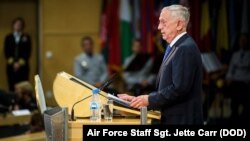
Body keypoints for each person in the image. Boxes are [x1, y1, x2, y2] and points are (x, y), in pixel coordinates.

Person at [118, 5, 203, 125]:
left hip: (182, 120)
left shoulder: (185, 48)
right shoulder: (175, 47)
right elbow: (167, 87)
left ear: (179, 24)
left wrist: (148, 99)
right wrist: (140, 100)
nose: (159, 27)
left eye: (163, 22)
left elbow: (179, 88)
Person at [226, 33, 250, 124]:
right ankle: (234, 113)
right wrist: (228, 78)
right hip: (235, 81)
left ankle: (242, 117)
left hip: (246, 81)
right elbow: (230, 70)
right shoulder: (235, 55)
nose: (242, 42)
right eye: (241, 40)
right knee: (234, 88)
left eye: (244, 40)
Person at [4, 17, 31, 91]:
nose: (18, 26)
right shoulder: (8, 37)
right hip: (11, 66)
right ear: (13, 25)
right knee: (12, 85)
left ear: (22, 26)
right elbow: (6, 52)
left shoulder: (26, 37)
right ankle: (13, 101)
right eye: (16, 24)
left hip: (23, 67)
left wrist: (19, 63)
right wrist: (13, 63)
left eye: (20, 24)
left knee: (23, 86)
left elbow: (27, 52)